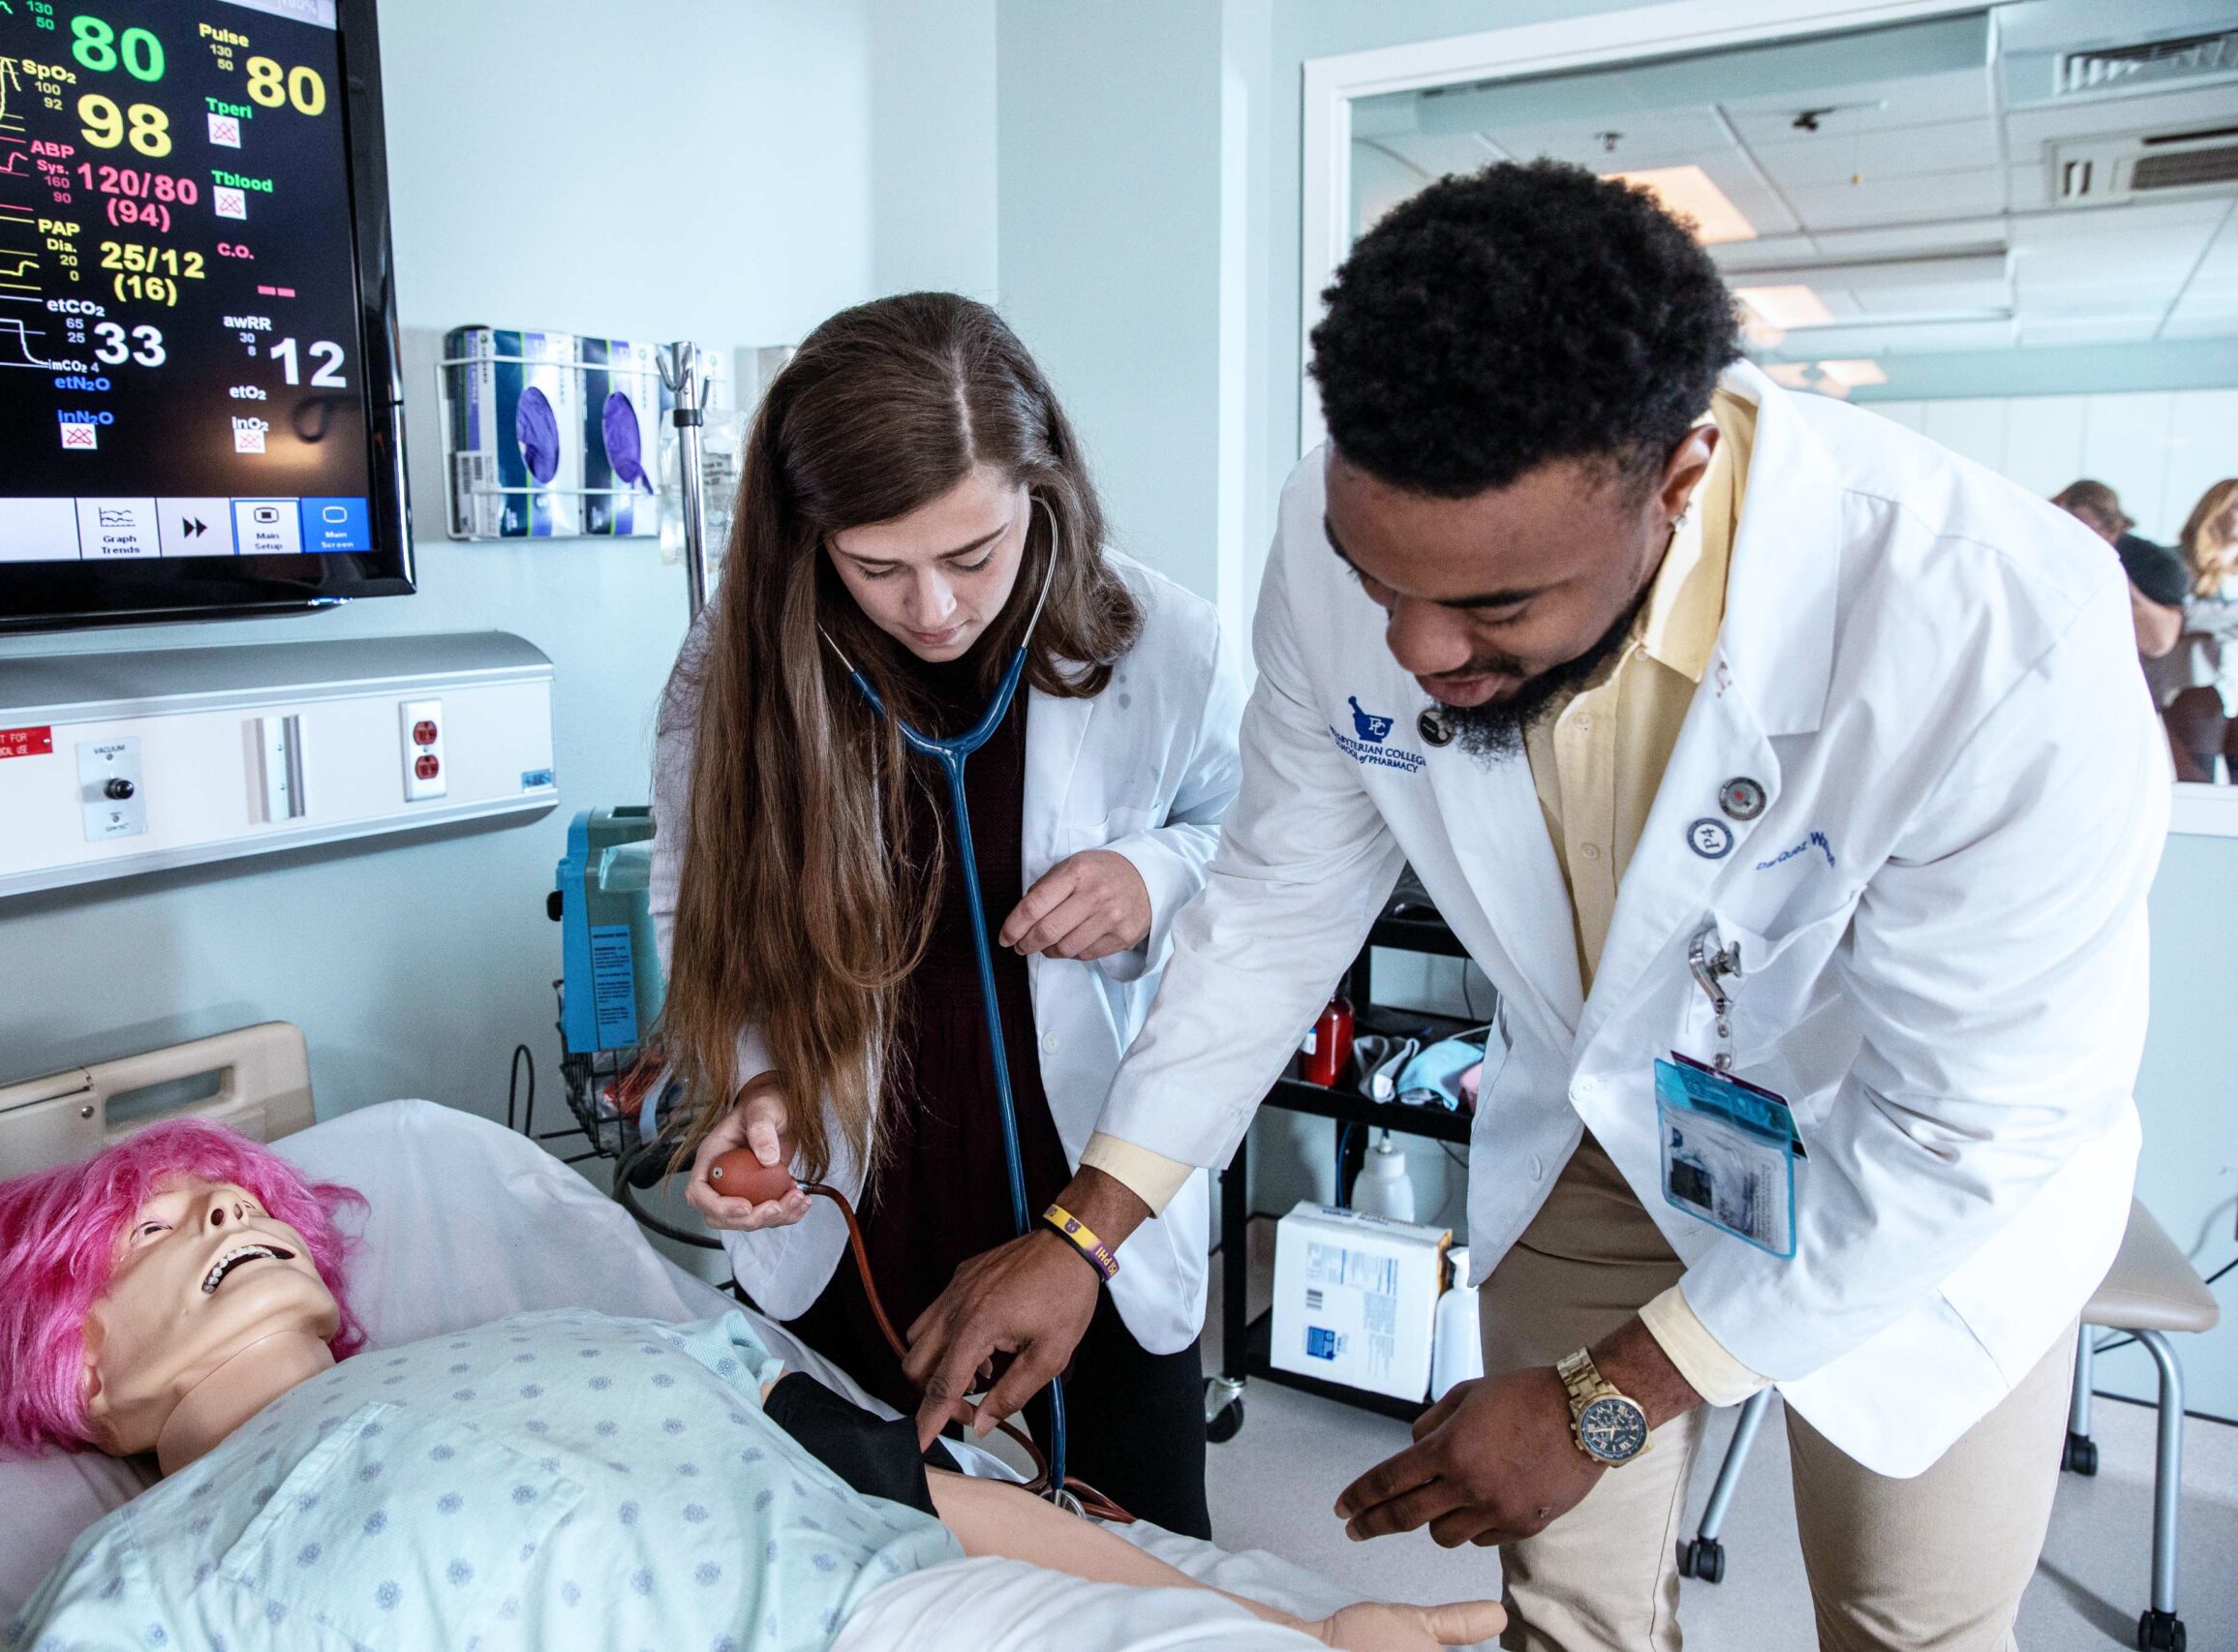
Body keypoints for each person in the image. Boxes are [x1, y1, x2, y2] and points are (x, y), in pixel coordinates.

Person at [904, 160, 2166, 1651]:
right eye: (1386, 587)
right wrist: (1087, 1225)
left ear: (1678, 478)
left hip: (1905, 1172)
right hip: (1600, 1118)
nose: (1422, 647)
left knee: (1911, 1623)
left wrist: (1605, 1399)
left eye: (1496, 610)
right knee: (1564, 1616)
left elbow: (1967, 1128)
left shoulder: (1999, 630)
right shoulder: (1344, 525)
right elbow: (1277, 902)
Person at [0, 1118, 1502, 1652]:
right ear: (67, 1357)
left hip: (924, 1607)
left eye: (238, 1197)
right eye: (152, 1224)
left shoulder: (590, 1338)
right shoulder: (146, 1581)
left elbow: (915, 1492)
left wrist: (1282, 1616)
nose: (224, 1206)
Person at [650, 292, 1243, 1538]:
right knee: (861, 1560)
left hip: (1082, 1177)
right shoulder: (739, 667)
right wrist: (749, 1089)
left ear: (1045, 492)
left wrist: (1154, 872)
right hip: (860, 1189)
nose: (931, 609)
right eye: (878, 566)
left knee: (1140, 1562)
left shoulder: (1162, 641)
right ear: (809, 538)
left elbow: (1248, 853)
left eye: (974, 556)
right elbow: (695, 905)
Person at [2053, 478, 2189, 661]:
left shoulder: (2156, 563)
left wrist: (2110, 571)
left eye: (2080, 531)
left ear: (2112, 530)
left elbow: (2158, 642)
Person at [2157, 478, 2238, 781]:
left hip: (2232, 693)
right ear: (2215, 511)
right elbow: (2178, 617)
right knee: (2194, 784)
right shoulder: (2174, 564)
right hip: (2190, 694)